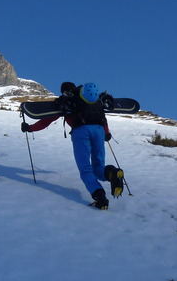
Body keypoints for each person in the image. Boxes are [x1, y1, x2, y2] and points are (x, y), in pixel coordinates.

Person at [21, 82, 124, 210]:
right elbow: (102, 116)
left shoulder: (67, 101)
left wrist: (30, 128)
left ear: (63, 91)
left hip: (81, 132)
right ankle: (113, 172)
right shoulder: (91, 99)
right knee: (98, 167)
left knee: (85, 169)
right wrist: (106, 132)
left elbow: (46, 121)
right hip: (99, 130)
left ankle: (100, 198)